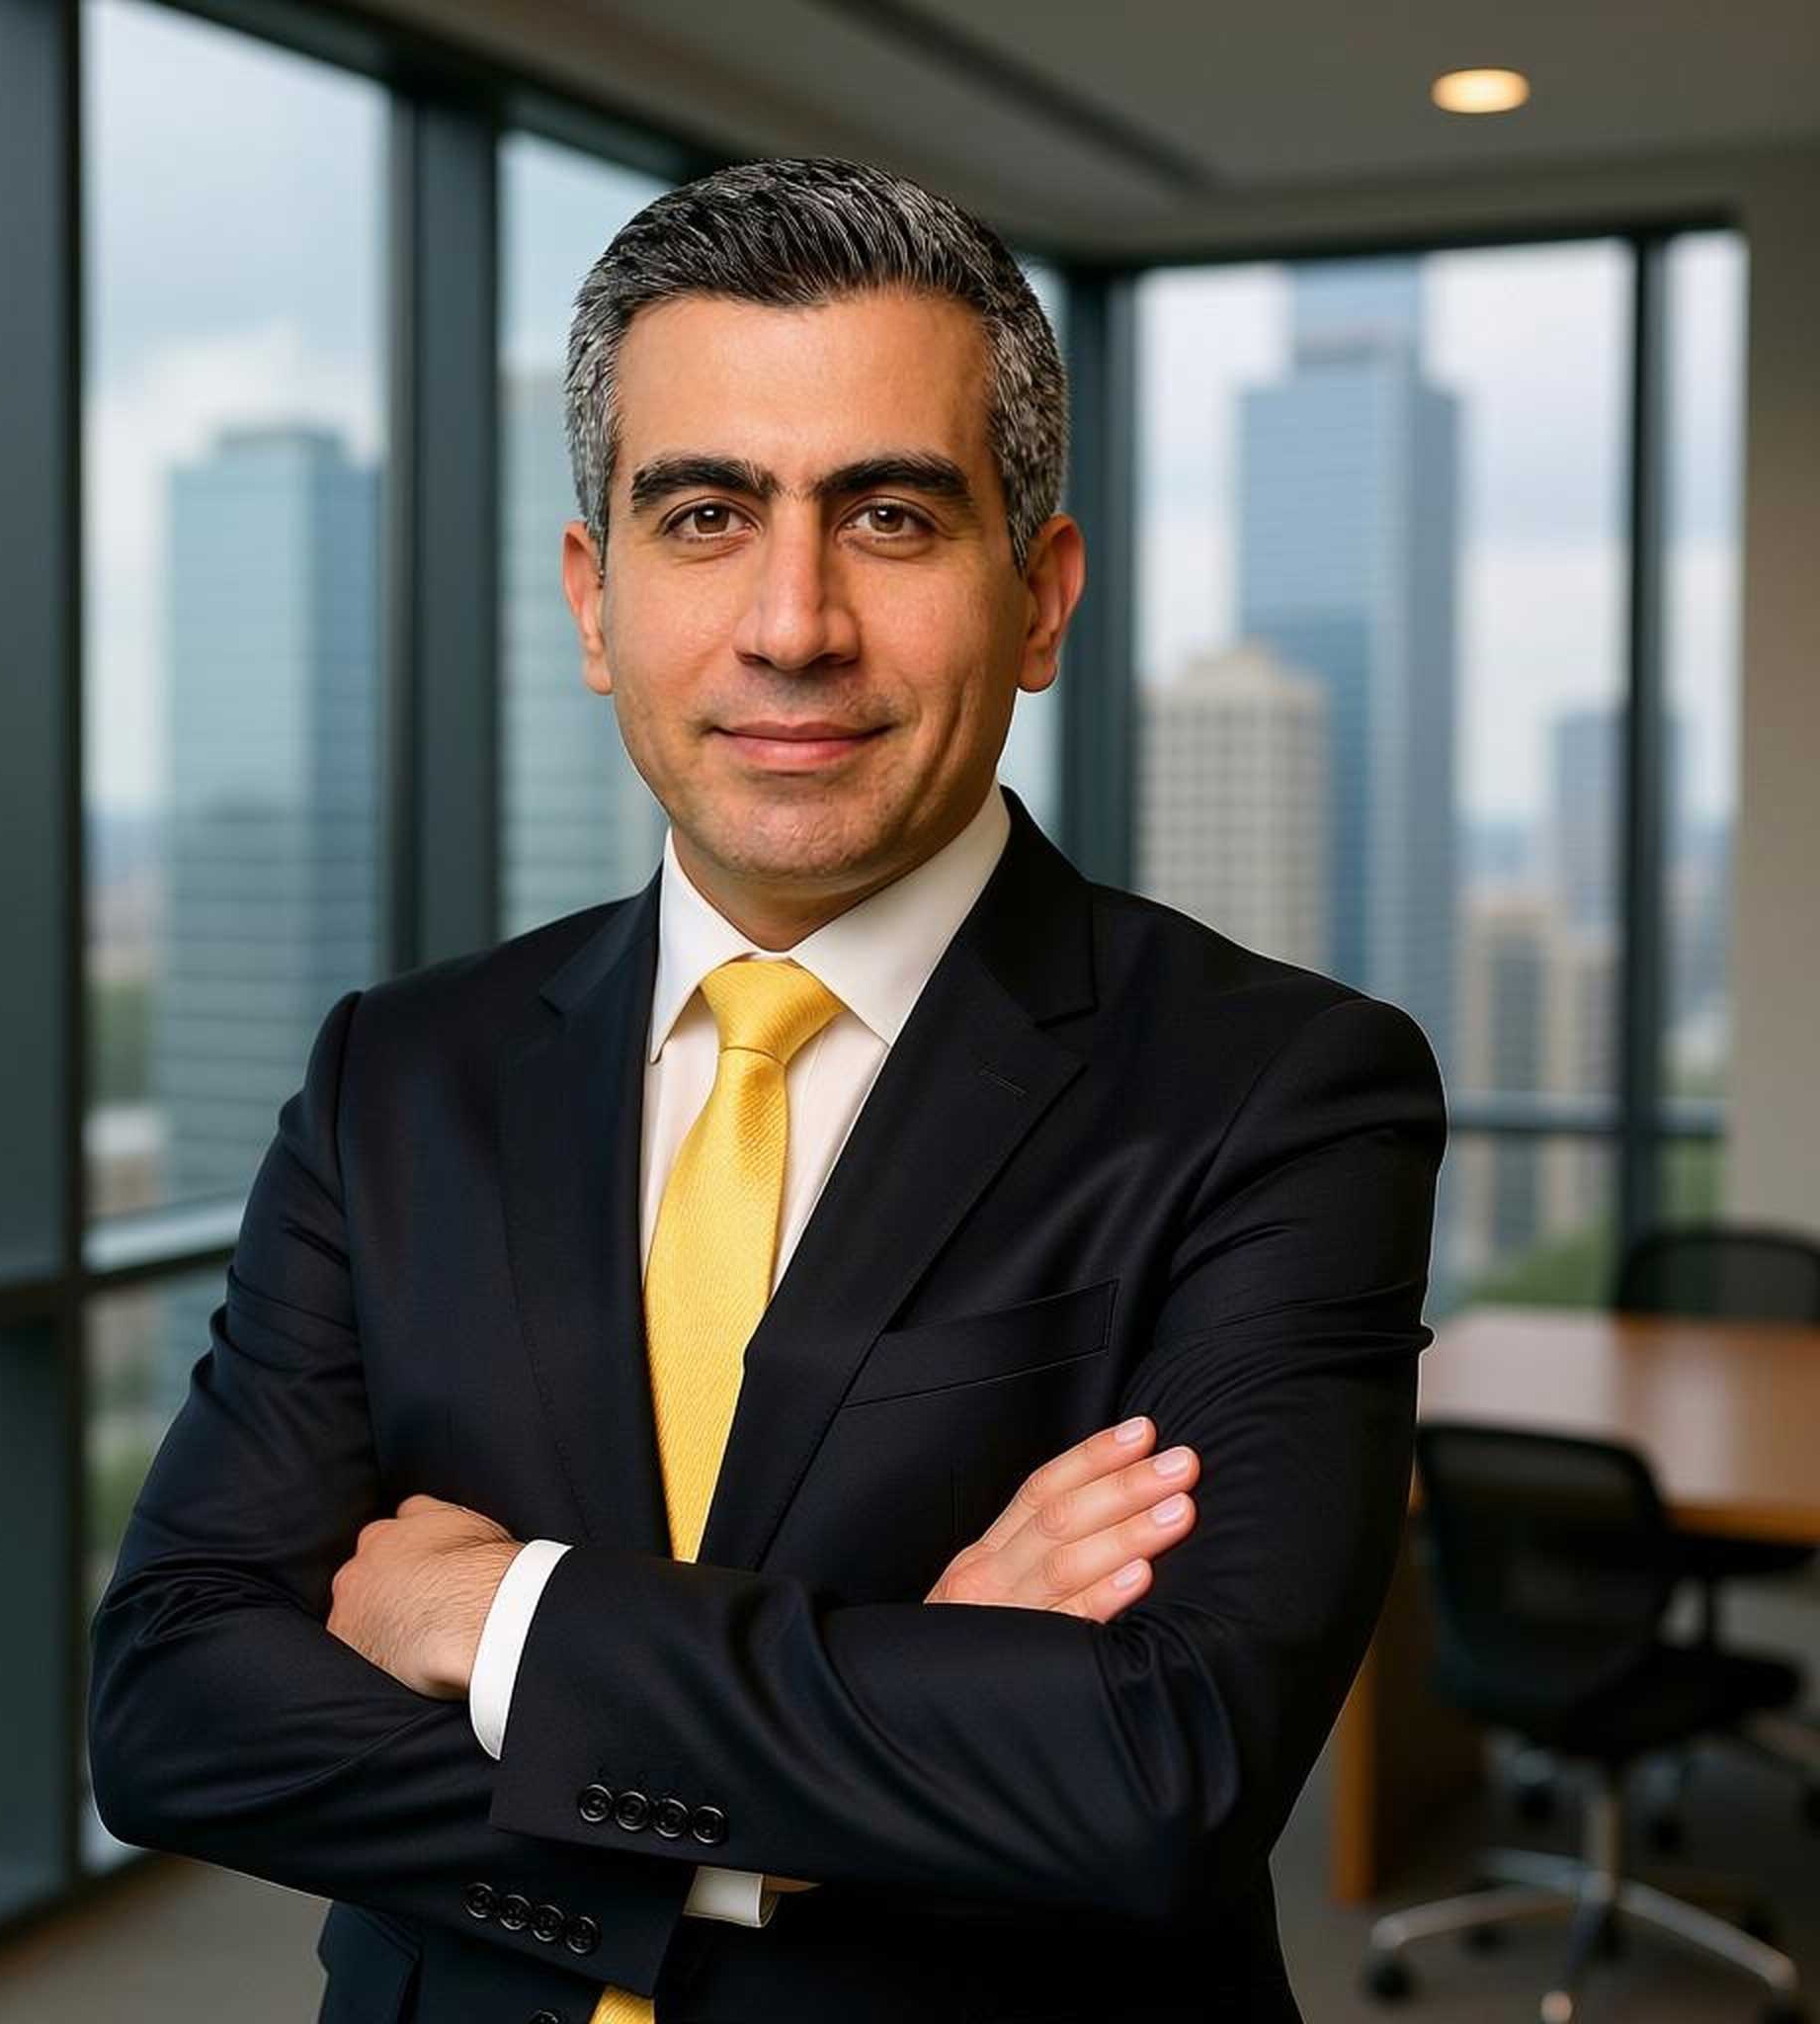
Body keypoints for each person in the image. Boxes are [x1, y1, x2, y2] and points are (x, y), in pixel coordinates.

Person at [87, 156, 1448, 2024]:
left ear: (1039, 600)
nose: (792, 621)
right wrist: (833, 1777)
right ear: (594, 602)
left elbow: (1162, 1766)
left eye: (888, 516)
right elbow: (174, 1701)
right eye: (707, 515)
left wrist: (496, 1616)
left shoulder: (1276, 1092)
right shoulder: (399, 1075)